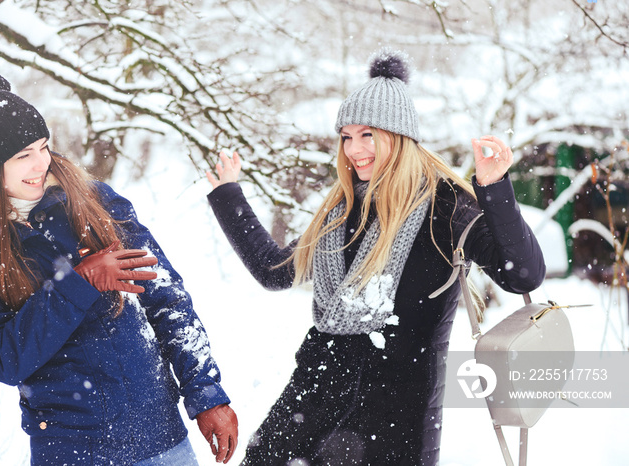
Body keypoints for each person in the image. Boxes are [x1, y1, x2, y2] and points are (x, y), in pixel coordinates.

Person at [205, 49, 546, 465]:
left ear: (397, 135)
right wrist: (228, 195)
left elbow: (523, 275)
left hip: (394, 421)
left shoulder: (445, 207)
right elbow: (275, 270)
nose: (354, 149)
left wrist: (495, 189)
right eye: (346, 137)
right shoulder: (343, 209)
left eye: (367, 134)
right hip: (311, 400)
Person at [0, 72, 238, 466]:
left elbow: (166, 296)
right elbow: (4, 358)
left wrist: (206, 393)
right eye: (23, 155)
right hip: (72, 450)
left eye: (43, 147)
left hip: (161, 438)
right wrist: (80, 282)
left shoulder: (94, 202)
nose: (40, 163)